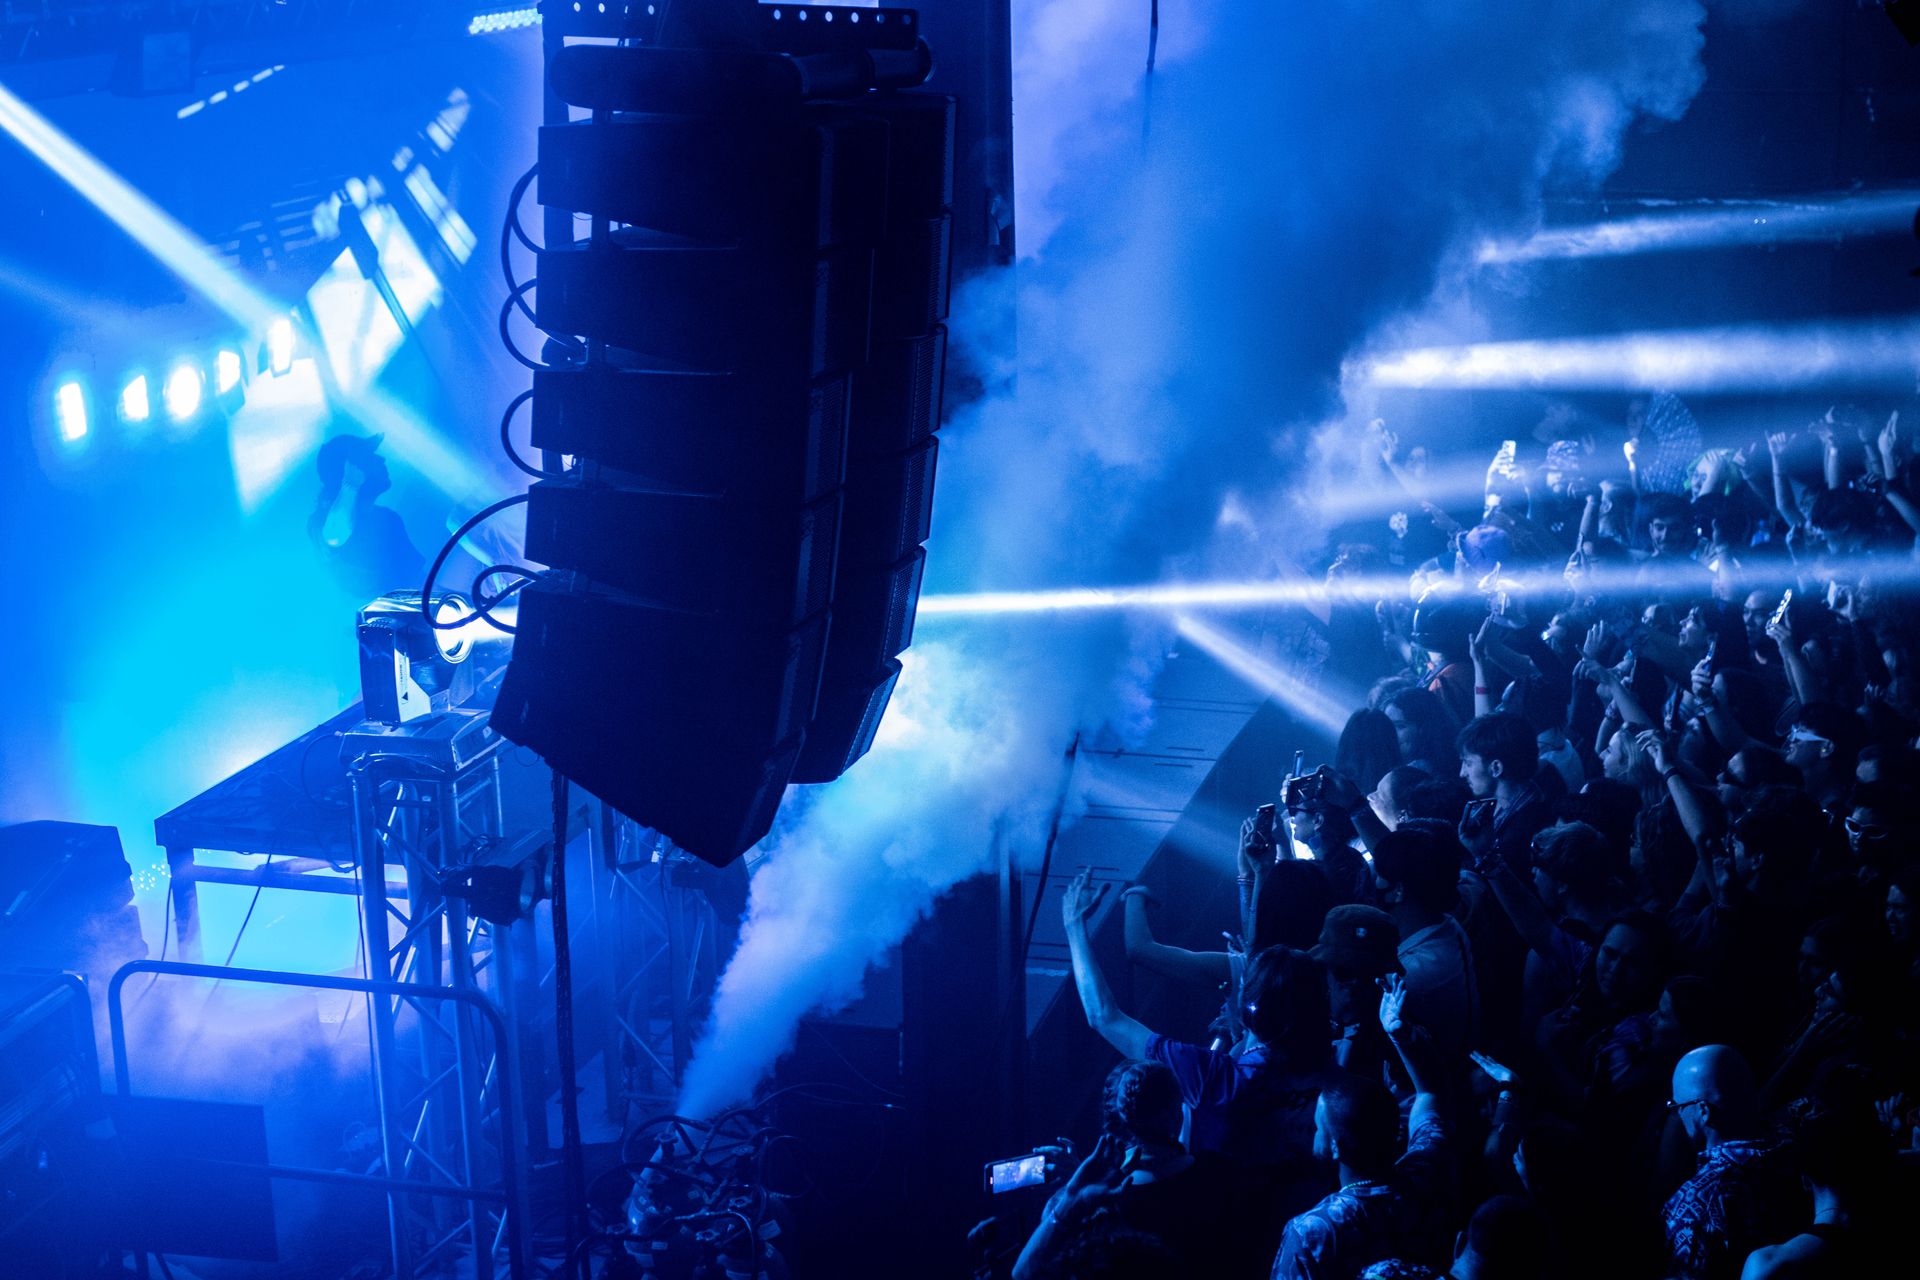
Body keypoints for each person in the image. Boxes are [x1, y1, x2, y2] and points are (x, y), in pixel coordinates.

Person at [1271, 975, 1454, 1280]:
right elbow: (1430, 1093)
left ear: (1336, 1146)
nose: (1313, 1132)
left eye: (1319, 1127)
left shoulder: (1313, 1231)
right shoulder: (1424, 1174)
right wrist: (1399, 1034)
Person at [1662, 1045, 1804, 1280]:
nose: (1677, 1115)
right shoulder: (1801, 1147)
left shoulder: (1697, 1202)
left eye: (1677, 1107)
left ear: (1703, 1111)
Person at [1370, 822, 1479, 1066]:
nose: (1374, 882)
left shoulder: (1410, 974)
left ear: (1398, 891)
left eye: (1379, 875)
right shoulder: (1446, 924)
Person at [1455, 713, 1555, 877]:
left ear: (1496, 768)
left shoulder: (1519, 835)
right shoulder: (1539, 794)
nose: (1462, 773)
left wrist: (1483, 856)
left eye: (1468, 763)